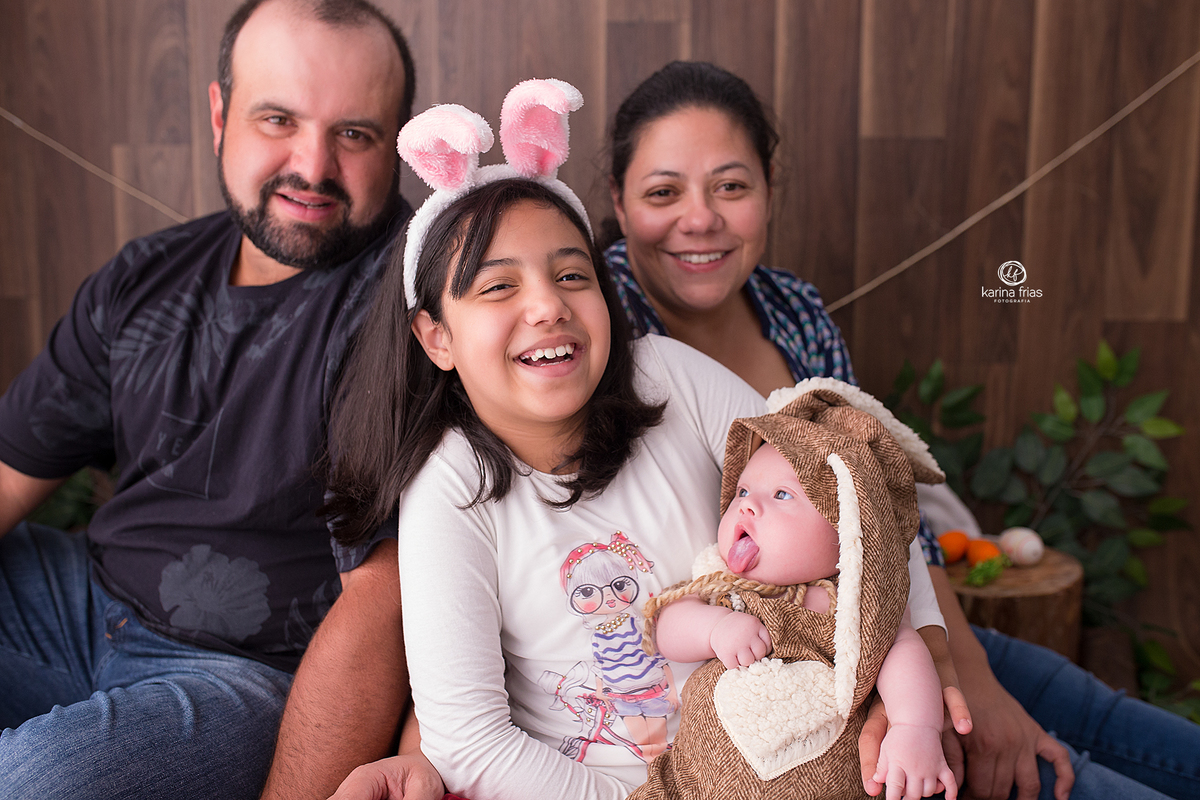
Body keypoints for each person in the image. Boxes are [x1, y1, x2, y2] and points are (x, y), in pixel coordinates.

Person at [324, 80, 951, 800]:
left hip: (796, 762)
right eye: (498, 288)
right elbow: (467, 739)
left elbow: (853, 490)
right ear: (436, 337)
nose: (547, 305)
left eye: (570, 274)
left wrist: (925, 679)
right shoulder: (449, 487)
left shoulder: (667, 375)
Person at [602, 59, 1200, 800]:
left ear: (769, 184)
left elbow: (885, 511)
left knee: (1126, 728)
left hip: (902, 631)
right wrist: (898, 703)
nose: (701, 219)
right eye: (663, 193)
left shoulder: (791, 311)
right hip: (789, 685)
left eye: (731, 186)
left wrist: (960, 675)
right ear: (619, 204)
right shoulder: (596, 334)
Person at [0, 1, 416, 798]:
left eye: (354, 134)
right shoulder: (143, 277)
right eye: (278, 118)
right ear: (221, 113)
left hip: (243, 675)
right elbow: (10, 469)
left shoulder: (414, 303)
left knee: (33, 779)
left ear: (399, 142)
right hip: (82, 601)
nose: (313, 165)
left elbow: (387, 598)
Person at [634, 380, 957, 800]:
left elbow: (904, 654)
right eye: (743, 491)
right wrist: (714, 628)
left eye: (783, 495)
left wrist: (916, 728)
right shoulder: (722, 586)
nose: (747, 505)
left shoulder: (853, 605)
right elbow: (667, 628)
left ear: (849, 531)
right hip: (695, 784)